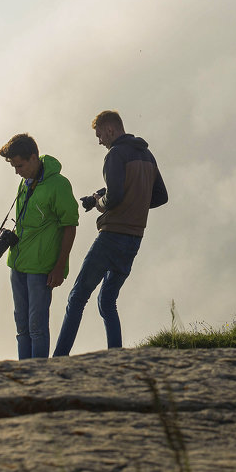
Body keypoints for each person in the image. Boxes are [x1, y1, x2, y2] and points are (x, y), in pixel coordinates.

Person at [52, 110, 168, 355]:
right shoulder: (147, 156)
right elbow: (160, 196)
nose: (99, 141)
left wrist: (97, 203)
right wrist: (133, 201)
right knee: (107, 301)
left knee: (77, 297)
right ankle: (115, 356)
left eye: (99, 135)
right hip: (135, 238)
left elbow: (113, 197)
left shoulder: (115, 155)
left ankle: (59, 359)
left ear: (111, 130)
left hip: (112, 235)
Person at [0, 133, 79, 359]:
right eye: (14, 166)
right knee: (22, 327)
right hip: (18, 263)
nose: (17, 171)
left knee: (36, 327)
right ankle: (25, 377)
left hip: (41, 268)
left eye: (20, 165)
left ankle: (40, 381)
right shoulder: (26, 183)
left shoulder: (59, 185)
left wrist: (59, 267)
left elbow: (70, 225)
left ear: (34, 158)